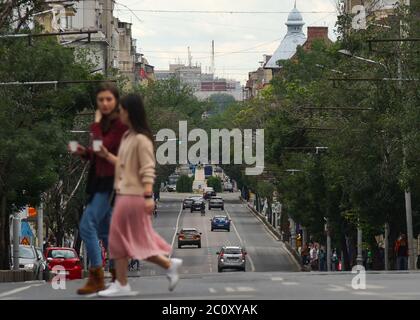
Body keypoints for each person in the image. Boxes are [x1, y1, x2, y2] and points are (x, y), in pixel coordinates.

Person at [96, 94, 182, 297]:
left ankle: (122, 283)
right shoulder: (128, 137)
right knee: (133, 241)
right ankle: (168, 265)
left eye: (121, 110)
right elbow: (124, 164)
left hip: (133, 196)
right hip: (123, 193)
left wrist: (148, 195)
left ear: (130, 112)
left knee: (118, 240)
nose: (119, 114)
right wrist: (106, 155)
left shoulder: (142, 139)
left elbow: (148, 168)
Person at [70, 83, 128, 295]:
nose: (104, 103)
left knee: (86, 226)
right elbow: (95, 153)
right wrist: (82, 152)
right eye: (100, 100)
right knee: (105, 231)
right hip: (97, 182)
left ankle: (97, 276)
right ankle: (117, 274)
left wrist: (96, 132)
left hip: (110, 182)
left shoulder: (120, 127)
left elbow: (109, 153)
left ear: (115, 102)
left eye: (108, 99)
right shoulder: (101, 126)